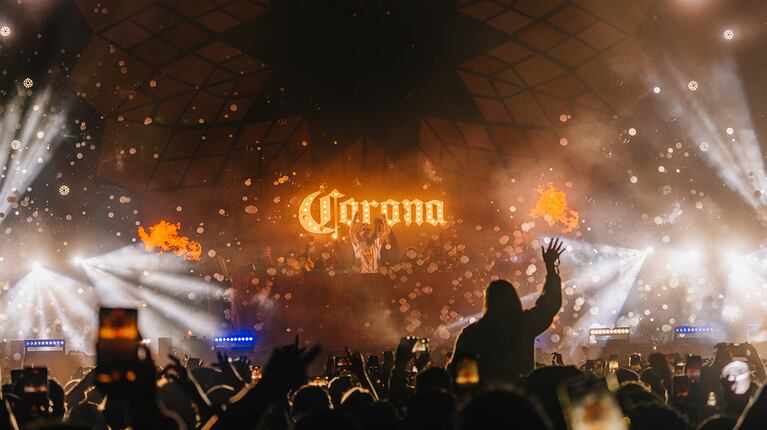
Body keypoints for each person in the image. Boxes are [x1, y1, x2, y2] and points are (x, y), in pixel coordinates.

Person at [450, 238, 565, 385]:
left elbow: (463, 376)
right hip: (519, 399)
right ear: (514, 299)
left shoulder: (472, 333)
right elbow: (549, 305)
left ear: (488, 301)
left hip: (485, 402)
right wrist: (551, 270)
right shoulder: (524, 325)